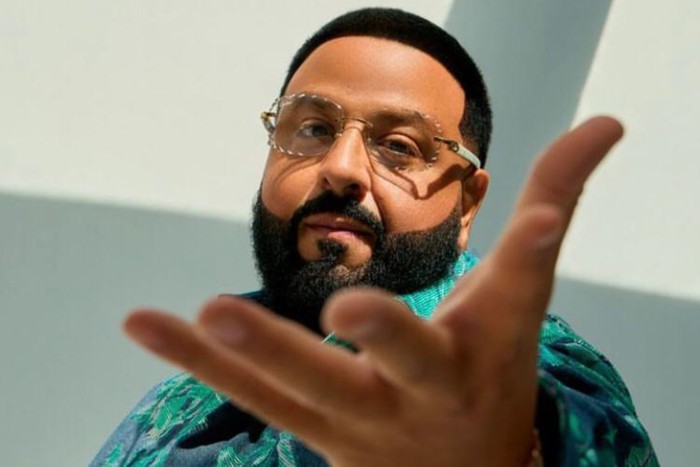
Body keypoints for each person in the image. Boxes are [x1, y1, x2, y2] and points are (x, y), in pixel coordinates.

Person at [91, 8, 658, 466]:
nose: (340, 168)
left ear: (466, 205)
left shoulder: (508, 367)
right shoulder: (184, 393)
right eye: (314, 128)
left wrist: (514, 451)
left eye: (398, 146)